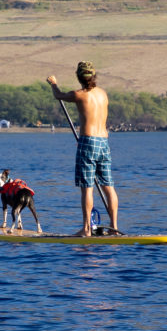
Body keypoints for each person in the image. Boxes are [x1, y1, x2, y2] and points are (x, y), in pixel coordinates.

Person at [47, 61, 120, 236]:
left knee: (87, 188)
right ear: (94, 76)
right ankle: (114, 228)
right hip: (104, 142)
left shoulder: (78, 95)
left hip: (88, 142)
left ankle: (87, 229)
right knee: (108, 186)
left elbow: (58, 95)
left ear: (79, 77)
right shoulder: (103, 94)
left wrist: (53, 83)